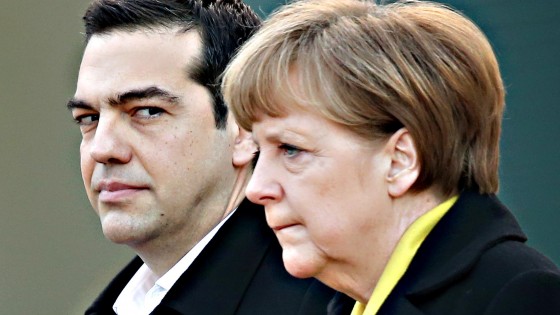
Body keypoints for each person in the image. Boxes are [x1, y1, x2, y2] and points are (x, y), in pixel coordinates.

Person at [221, 0, 560, 314]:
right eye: (259, 150)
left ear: (400, 160)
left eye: (290, 149)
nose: (257, 187)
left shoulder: (521, 298)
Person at [67, 0, 341, 314]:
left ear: (243, 130)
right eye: (88, 118)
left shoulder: (330, 299)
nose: (102, 149)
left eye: (147, 111)